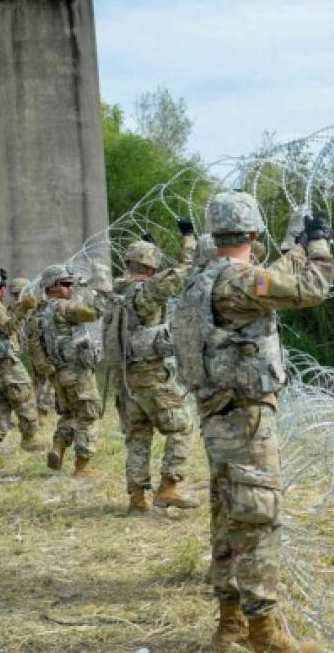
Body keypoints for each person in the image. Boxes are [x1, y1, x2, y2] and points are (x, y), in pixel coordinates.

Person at [174, 191, 334, 652]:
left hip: (216, 414)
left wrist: (291, 244)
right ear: (252, 232)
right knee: (259, 517)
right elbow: (309, 288)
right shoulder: (238, 282)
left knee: (228, 515)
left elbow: (275, 277)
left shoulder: (200, 278)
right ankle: (264, 632)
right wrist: (318, 244)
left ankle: (229, 625)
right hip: (244, 416)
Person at [107, 219, 198, 513]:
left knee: (138, 436)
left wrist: (152, 247)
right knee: (182, 425)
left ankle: (136, 498)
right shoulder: (147, 291)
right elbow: (186, 270)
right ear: (151, 268)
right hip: (151, 375)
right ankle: (169, 486)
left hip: (125, 378)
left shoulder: (115, 291)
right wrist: (189, 239)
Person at [25, 263, 109, 477]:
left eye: (71, 284)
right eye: (66, 284)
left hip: (56, 375)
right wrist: (98, 285)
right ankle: (83, 466)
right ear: (52, 286)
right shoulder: (65, 307)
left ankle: (59, 445)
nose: (71, 288)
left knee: (70, 413)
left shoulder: (37, 313)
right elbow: (95, 312)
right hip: (77, 373)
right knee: (88, 416)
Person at [0, 269, 45, 464]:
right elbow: (8, 327)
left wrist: (18, 307)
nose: (3, 289)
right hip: (3, 363)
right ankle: (31, 437)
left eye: (3, 285)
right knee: (24, 392)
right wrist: (24, 309)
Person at [7, 277, 57, 431]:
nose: (17, 297)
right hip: (25, 350)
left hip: (40, 348)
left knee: (44, 381)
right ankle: (36, 414)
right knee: (33, 383)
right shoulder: (14, 308)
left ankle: (42, 413)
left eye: (19, 293)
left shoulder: (38, 305)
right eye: (15, 294)